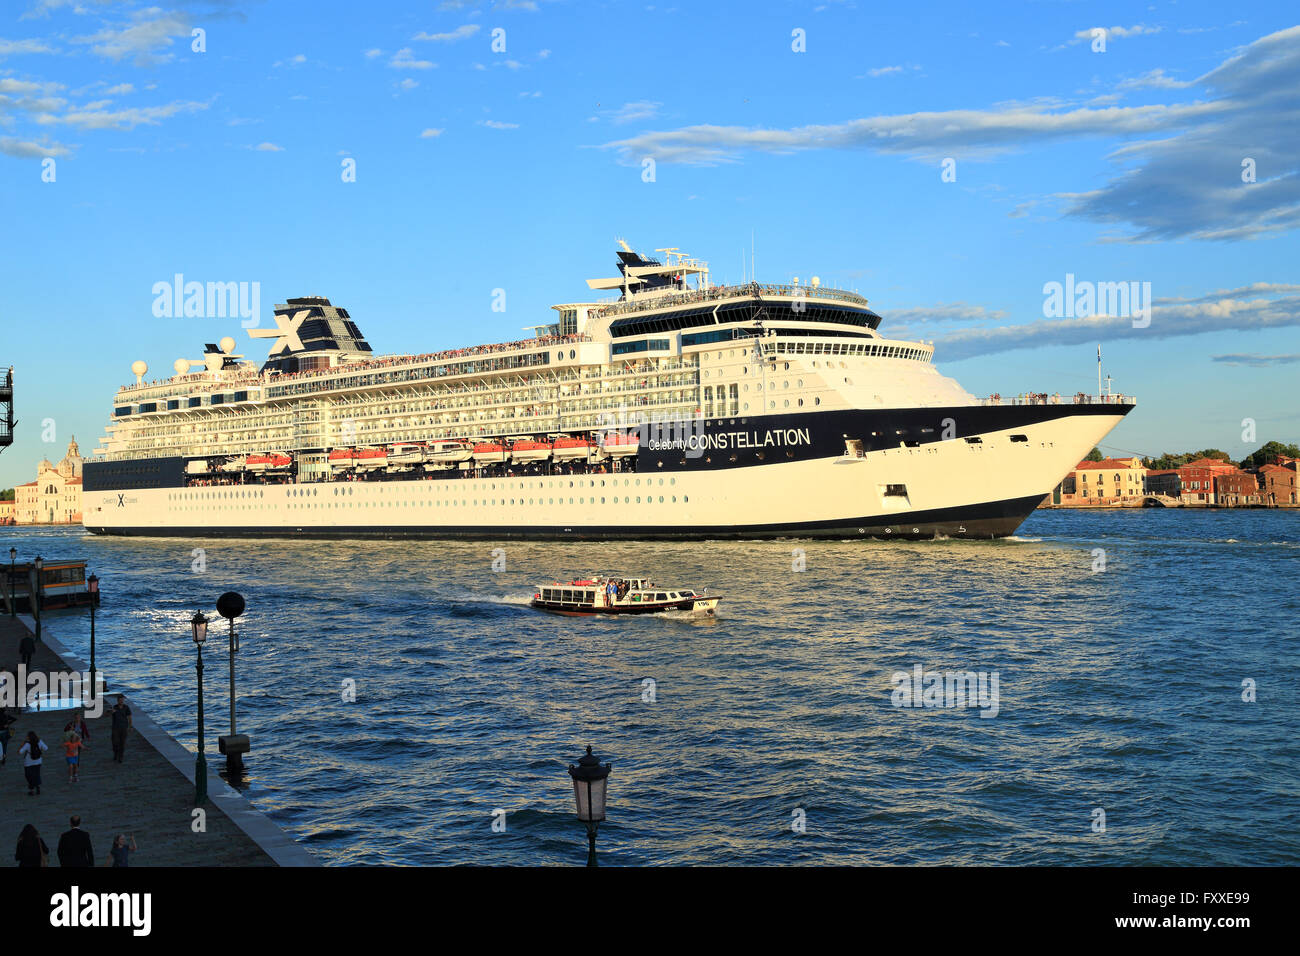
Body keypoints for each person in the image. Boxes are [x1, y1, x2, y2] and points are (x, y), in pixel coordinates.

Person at [110, 695, 132, 763]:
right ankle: (116, 753)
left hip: (124, 728)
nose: (121, 701)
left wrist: (130, 726)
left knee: (122, 743)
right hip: (115, 728)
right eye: (120, 700)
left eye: (122, 700)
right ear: (117, 700)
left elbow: (129, 717)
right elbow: (107, 714)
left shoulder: (126, 707)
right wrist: (111, 712)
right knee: (115, 742)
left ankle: (120, 757)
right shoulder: (114, 707)